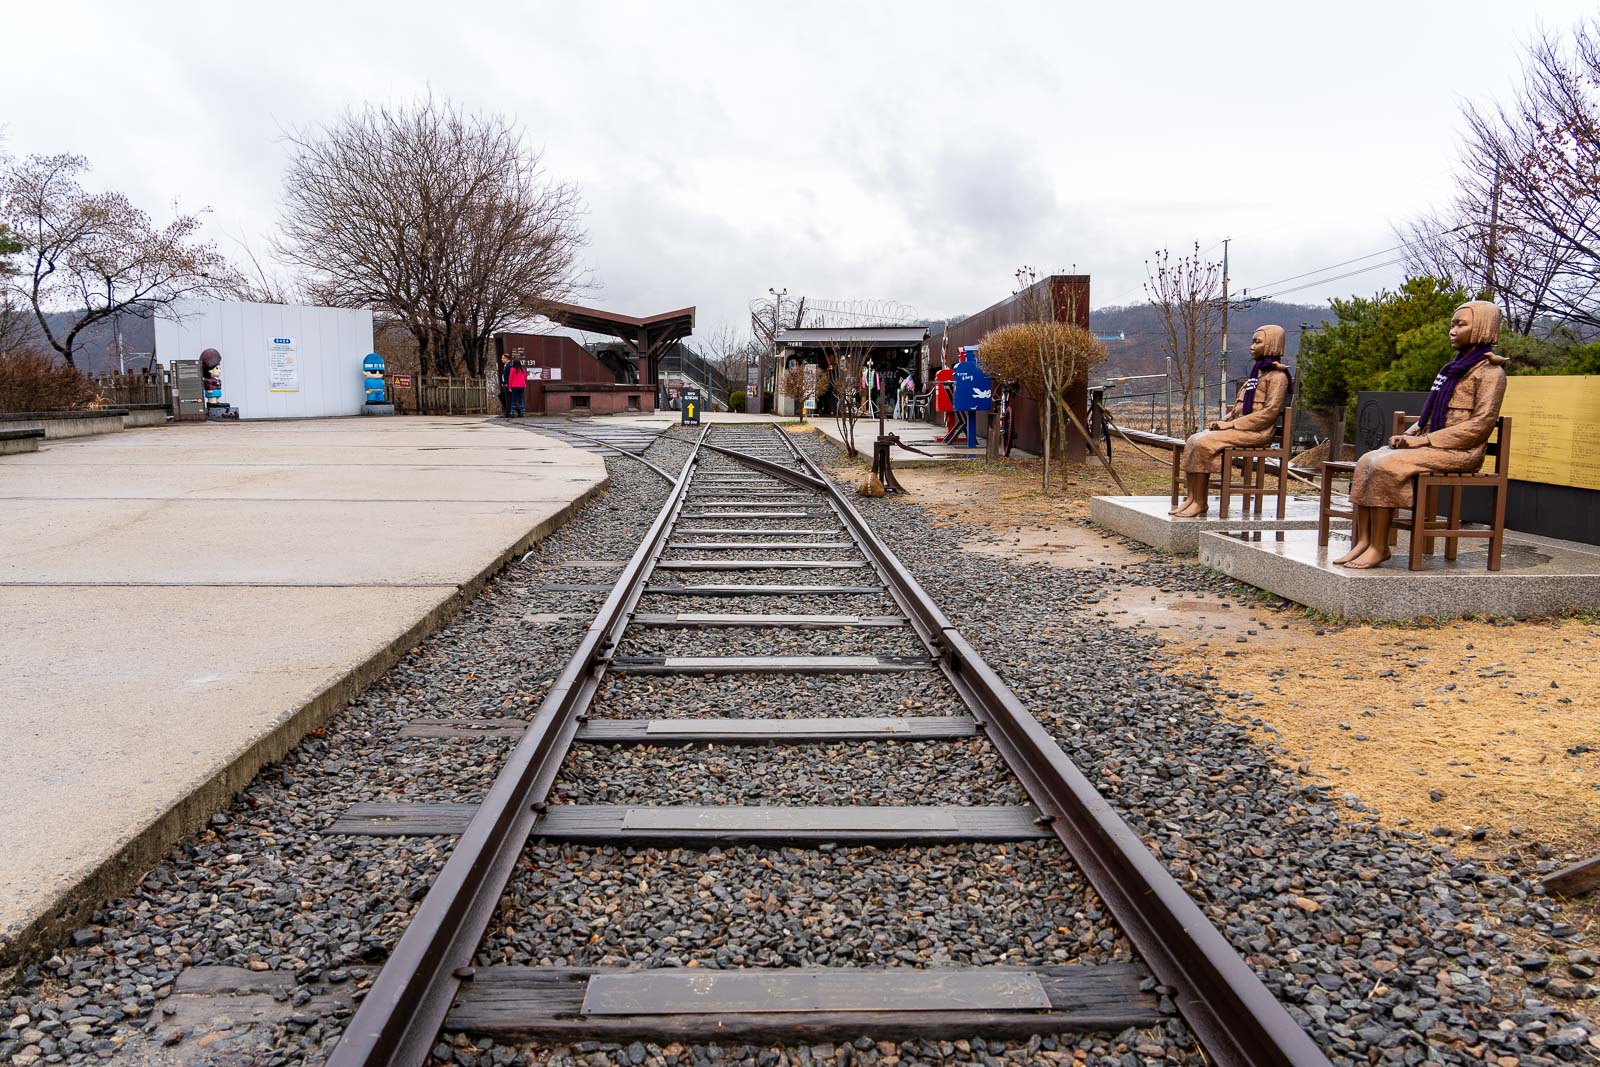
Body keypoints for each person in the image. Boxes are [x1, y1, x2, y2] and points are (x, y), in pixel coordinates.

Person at [1335, 300, 1507, 569]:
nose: (1452, 330)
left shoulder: (1491, 373)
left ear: (1483, 328)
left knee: (1387, 465)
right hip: (1434, 446)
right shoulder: (1451, 370)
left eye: (1461, 325)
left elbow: (1481, 425)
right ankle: (1364, 540)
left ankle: (1380, 546)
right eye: (1452, 324)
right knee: (1367, 460)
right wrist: (1410, 433)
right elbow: (1429, 416)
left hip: (1461, 452)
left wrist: (1424, 440)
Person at [1171, 326, 1293, 518]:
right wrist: (1224, 421)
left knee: (1204, 443)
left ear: (1272, 344)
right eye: (1253, 341)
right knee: (1193, 439)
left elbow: (1269, 413)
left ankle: (1201, 502)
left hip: (1256, 432)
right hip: (1241, 428)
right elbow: (1238, 409)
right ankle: (1192, 498)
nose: (1252, 346)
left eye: (1257, 342)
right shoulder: (1257, 374)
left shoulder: (1278, 377)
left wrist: (1231, 425)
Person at [497, 353, 512, 418]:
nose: (501, 359)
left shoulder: (509, 365)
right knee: (503, 396)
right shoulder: (506, 365)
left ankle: (508, 413)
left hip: (507, 384)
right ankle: (506, 411)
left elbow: (510, 376)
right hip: (505, 384)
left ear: (506, 358)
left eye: (503, 358)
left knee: (508, 399)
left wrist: (506, 383)